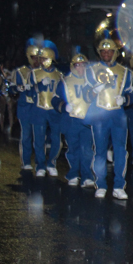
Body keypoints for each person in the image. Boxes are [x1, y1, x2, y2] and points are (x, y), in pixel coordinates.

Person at [86, 32, 133, 200]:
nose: (106, 54)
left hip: (118, 115)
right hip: (99, 114)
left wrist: (125, 99)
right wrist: (94, 91)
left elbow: (132, 95)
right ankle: (100, 184)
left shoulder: (124, 72)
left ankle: (119, 186)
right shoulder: (91, 70)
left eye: (109, 52)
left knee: (120, 151)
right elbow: (85, 95)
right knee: (99, 151)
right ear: (99, 53)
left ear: (115, 53)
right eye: (103, 52)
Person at [54, 48, 94, 188]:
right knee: (73, 149)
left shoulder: (92, 81)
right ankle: (73, 174)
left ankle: (87, 176)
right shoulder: (65, 81)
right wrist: (63, 106)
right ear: (73, 66)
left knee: (87, 150)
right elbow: (55, 99)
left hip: (87, 120)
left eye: (83, 65)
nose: (81, 68)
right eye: (78, 65)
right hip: (71, 120)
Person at [31, 41, 64, 176]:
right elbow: (28, 92)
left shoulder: (59, 75)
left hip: (54, 110)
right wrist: (38, 86)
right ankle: (40, 165)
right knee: (39, 138)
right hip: (39, 108)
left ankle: (51, 163)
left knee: (56, 139)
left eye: (44, 58)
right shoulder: (35, 73)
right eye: (41, 59)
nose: (42, 61)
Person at [14, 39, 43, 172]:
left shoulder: (44, 72)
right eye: (34, 57)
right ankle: (26, 161)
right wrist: (18, 88)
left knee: (39, 137)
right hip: (25, 107)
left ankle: (39, 163)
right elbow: (12, 89)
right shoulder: (20, 71)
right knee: (26, 136)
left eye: (38, 57)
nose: (36, 60)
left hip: (38, 108)